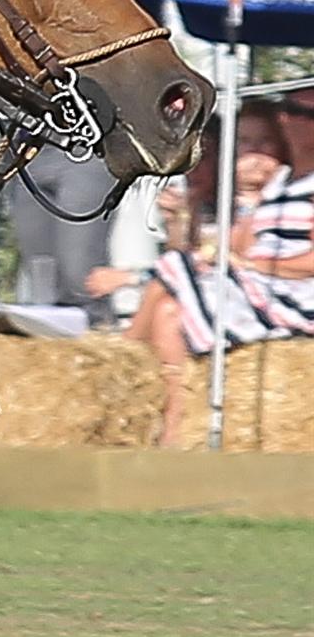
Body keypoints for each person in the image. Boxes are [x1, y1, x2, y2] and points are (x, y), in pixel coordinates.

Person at [129, 103, 314, 444]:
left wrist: (254, 265)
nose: (290, 119)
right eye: (287, 110)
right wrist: (187, 223)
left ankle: (124, 363)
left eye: (303, 113)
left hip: (294, 295)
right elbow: (239, 243)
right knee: (169, 311)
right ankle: (174, 424)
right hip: (261, 285)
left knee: (173, 267)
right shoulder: (281, 183)